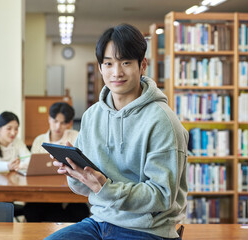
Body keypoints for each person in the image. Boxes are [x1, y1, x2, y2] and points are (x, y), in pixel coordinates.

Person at [45, 24, 189, 240]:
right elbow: (85, 189)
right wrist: (75, 173)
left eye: (126, 63)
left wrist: (105, 188)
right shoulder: (92, 116)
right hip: (100, 221)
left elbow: (162, 196)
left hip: (147, 229)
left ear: (142, 66)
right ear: (100, 68)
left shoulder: (163, 121)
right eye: (109, 63)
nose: (117, 72)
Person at [24, 102, 90, 222]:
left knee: (80, 212)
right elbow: (33, 167)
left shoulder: (76, 137)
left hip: (71, 189)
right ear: (49, 119)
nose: (58, 126)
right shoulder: (39, 140)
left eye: (63, 123)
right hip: (44, 190)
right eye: (55, 121)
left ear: (69, 123)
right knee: (32, 211)